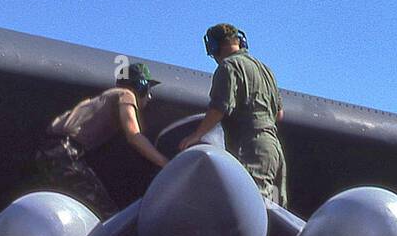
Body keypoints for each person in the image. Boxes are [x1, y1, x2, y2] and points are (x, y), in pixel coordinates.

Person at [36, 62, 167, 218]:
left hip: (49, 151)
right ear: (140, 86)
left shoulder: (105, 97)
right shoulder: (126, 94)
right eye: (148, 89)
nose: (150, 96)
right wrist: (165, 163)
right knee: (105, 214)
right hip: (65, 153)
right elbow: (134, 136)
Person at [178, 24, 287, 206]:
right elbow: (279, 115)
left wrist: (197, 135)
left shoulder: (228, 67)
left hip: (251, 147)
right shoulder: (266, 70)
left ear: (214, 47)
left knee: (247, 204)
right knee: (273, 211)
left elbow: (219, 108)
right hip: (273, 149)